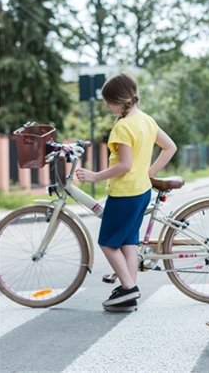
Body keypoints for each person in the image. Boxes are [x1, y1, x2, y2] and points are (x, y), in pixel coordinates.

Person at [76, 73, 177, 312]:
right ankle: (127, 294)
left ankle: (129, 287)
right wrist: (148, 172)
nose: (106, 106)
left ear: (118, 100)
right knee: (129, 243)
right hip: (141, 191)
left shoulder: (122, 127)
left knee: (108, 243)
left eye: (107, 101)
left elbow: (124, 166)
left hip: (124, 193)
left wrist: (95, 176)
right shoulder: (146, 120)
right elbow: (170, 147)